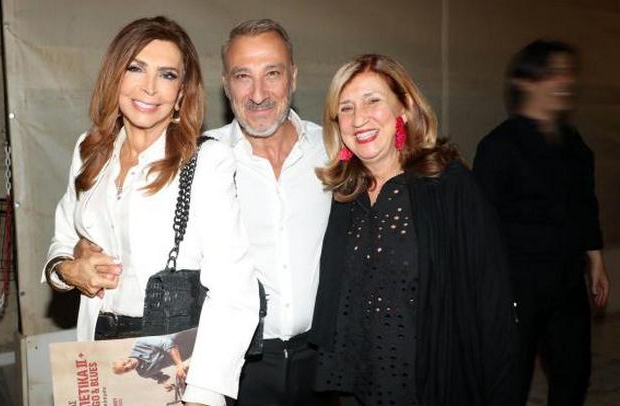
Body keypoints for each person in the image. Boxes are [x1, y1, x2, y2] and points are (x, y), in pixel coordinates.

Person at [41, 16, 259, 406]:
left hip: (174, 360)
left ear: (181, 93)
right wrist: (69, 270)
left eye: (167, 75)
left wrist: (201, 395)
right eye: (136, 68)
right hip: (99, 349)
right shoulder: (89, 151)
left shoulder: (206, 161)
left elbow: (234, 289)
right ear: (115, 76)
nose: (150, 87)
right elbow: (63, 239)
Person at [310, 54, 520, 406]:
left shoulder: (448, 186)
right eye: (346, 108)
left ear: (404, 108)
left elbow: (493, 301)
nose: (358, 118)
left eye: (373, 100)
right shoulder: (345, 197)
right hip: (355, 388)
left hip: (429, 386)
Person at [473, 40, 610, 406]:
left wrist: (595, 260)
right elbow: (480, 225)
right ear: (526, 81)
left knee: (573, 373)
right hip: (517, 286)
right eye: (553, 73)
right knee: (510, 381)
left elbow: (585, 203)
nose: (565, 81)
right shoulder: (499, 146)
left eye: (568, 72)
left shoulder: (573, 142)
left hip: (567, 282)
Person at [204, 19, 332, 406]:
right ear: (226, 85)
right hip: (237, 366)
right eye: (243, 76)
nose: (258, 94)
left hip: (322, 362)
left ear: (292, 77)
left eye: (272, 73)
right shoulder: (202, 159)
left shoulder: (332, 148)